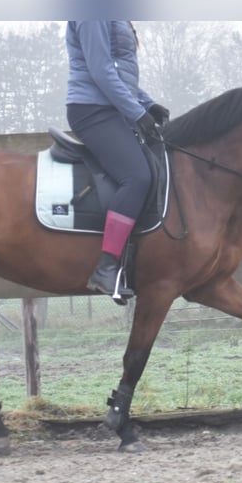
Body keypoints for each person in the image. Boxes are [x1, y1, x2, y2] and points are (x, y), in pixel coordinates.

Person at [65, 20, 169, 298]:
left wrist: (147, 104)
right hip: (93, 110)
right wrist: (137, 112)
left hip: (113, 108)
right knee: (137, 177)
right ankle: (106, 268)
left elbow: (120, 73)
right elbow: (100, 70)